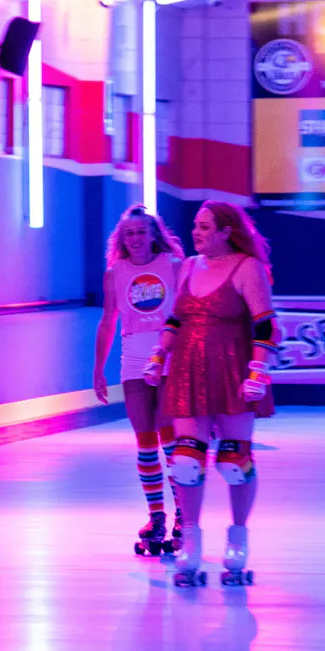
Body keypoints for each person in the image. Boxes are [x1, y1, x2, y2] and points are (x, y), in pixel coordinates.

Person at [144, 201, 275, 587]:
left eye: (205, 227)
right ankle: (191, 541)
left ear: (225, 231)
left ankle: (237, 536)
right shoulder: (187, 266)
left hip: (233, 369)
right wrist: (158, 356)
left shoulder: (246, 267)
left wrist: (258, 371)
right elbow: (175, 318)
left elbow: (266, 326)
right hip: (188, 368)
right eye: (196, 226)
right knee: (185, 460)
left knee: (235, 460)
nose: (196, 233)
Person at [92, 204, 186, 558]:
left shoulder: (174, 267)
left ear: (153, 235)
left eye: (141, 232)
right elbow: (107, 322)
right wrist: (98, 369)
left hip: (169, 358)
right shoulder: (115, 272)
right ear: (122, 239)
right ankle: (157, 517)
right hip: (132, 360)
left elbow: (186, 315)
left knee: (171, 440)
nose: (135, 239)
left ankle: (184, 516)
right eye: (128, 234)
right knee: (145, 442)